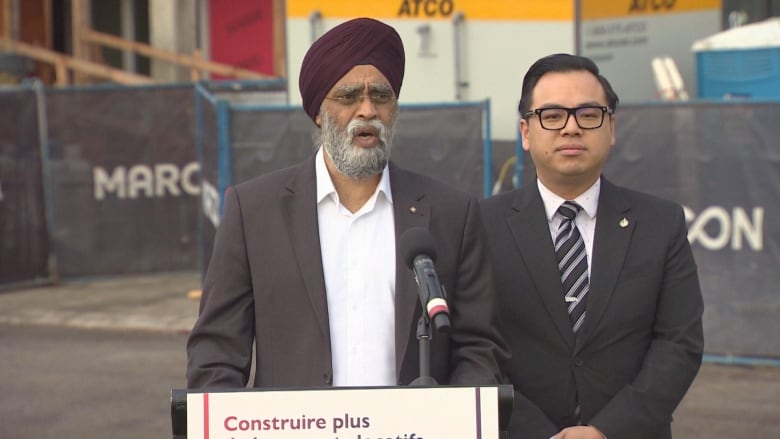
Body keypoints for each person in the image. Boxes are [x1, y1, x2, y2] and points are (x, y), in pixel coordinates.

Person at [187, 17, 508, 390]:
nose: (368, 110)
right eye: (348, 96)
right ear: (318, 112)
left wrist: (448, 418)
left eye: (381, 96)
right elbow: (215, 354)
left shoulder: (453, 213)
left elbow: (480, 349)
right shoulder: (254, 212)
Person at [480, 53, 704, 439]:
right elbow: (474, 349)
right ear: (526, 132)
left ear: (611, 127)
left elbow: (679, 343)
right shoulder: (481, 225)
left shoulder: (660, 223)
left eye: (588, 114)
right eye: (551, 115)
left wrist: (606, 430)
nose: (571, 128)